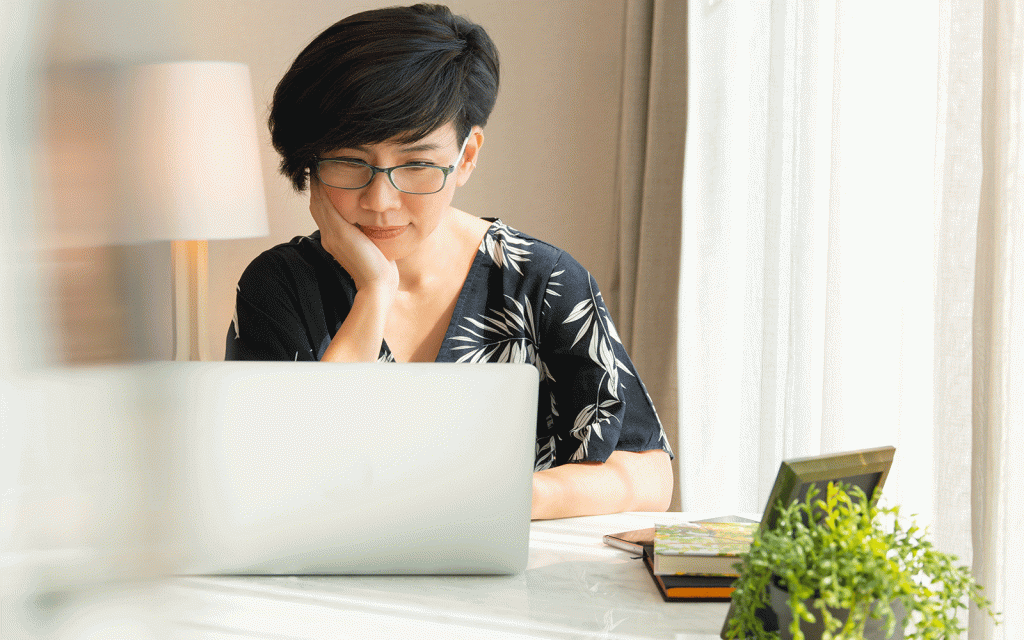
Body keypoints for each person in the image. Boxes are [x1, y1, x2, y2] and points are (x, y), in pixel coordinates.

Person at [226, 3, 673, 519]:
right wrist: (374, 290)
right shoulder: (278, 286)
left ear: (467, 156)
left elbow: (648, 474)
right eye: (350, 161)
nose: (381, 201)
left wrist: (494, 496)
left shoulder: (540, 281)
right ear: (312, 161)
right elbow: (288, 483)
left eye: (416, 163)